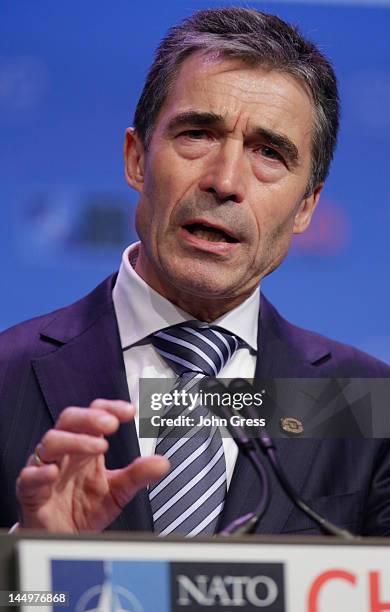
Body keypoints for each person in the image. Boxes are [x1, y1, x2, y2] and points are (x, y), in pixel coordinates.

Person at [1, 7, 389, 536]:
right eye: (198, 134)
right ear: (137, 159)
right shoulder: (7, 377)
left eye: (269, 153)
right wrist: (35, 562)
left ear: (305, 207)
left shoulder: (363, 401)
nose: (225, 180)